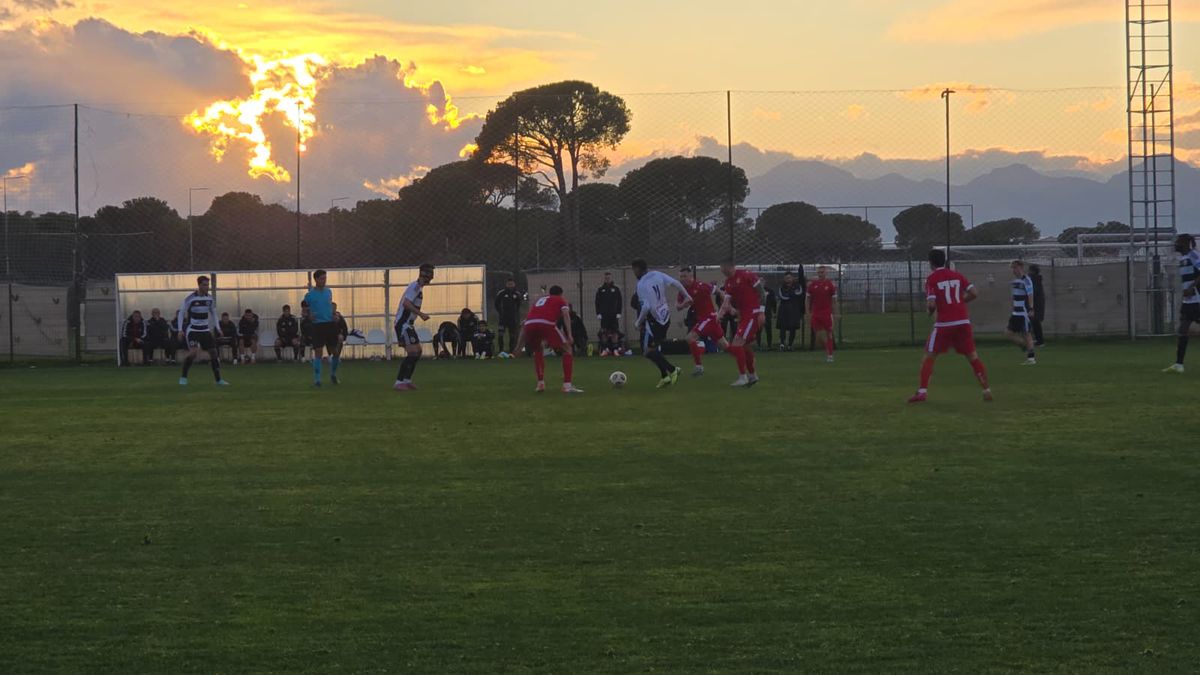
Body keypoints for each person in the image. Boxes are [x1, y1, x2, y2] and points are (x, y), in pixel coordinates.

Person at [908, 249, 991, 403]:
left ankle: (922, 392)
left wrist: (930, 311)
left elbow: (932, 304)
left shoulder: (932, 279)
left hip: (945, 323)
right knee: (973, 357)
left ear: (931, 263)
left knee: (929, 356)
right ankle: (986, 390)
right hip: (963, 322)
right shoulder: (957, 275)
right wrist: (959, 302)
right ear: (944, 261)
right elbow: (974, 293)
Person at [632, 258, 691, 388]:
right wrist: (687, 295)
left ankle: (672, 369)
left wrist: (638, 322)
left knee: (647, 351)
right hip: (665, 318)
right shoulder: (657, 274)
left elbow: (646, 307)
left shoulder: (641, 284)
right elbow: (676, 283)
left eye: (633, 270)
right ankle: (665, 377)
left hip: (654, 321)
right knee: (653, 350)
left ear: (637, 269)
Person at [514, 285, 582, 393]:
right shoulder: (560, 299)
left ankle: (540, 383)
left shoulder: (539, 300)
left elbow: (525, 322)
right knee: (568, 349)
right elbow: (566, 315)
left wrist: (518, 347)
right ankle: (567, 385)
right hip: (546, 324)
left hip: (530, 324)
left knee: (538, 350)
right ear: (560, 294)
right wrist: (569, 334)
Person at [719, 261, 766, 387]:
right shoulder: (728, 282)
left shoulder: (746, 275)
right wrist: (719, 315)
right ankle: (752, 375)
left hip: (753, 314)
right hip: (743, 316)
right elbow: (726, 302)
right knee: (744, 347)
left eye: (723, 266)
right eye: (720, 267)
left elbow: (761, 293)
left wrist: (761, 312)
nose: (721, 269)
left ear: (730, 265)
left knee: (737, 344)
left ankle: (743, 377)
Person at [177, 275, 229, 386]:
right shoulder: (190, 298)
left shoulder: (210, 299)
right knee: (194, 352)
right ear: (199, 285)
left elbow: (214, 314)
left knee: (214, 353)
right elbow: (181, 313)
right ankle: (183, 377)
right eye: (205, 285)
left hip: (205, 330)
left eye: (208, 285)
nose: (207, 287)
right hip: (193, 330)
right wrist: (180, 330)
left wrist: (218, 328)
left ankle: (218, 380)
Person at [678, 266, 728, 376]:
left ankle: (699, 367)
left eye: (685, 276)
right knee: (724, 346)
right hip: (706, 320)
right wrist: (683, 304)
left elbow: (719, 292)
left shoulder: (701, 286)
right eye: (681, 276)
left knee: (690, 338)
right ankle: (744, 356)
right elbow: (678, 307)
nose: (682, 278)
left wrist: (723, 309)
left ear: (691, 276)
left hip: (709, 318)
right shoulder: (682, 291)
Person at [394, 263, 435, 390]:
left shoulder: (419, 288)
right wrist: (421, 314)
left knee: (418, 351)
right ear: (425, 274)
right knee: (412, 352)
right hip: (403, 324)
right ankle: (399, 382)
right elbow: (406, 304)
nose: (432, 278)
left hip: (409, 325)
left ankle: (407, 380)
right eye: (430, 274)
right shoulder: (415, 287)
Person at [1165, 234, 1200, 374]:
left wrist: (1192, 287)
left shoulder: (1193, 255)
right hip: (1189, 301)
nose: (1176, 244)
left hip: (1197, 300)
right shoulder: (1182, 258)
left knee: (1183, 329)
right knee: (1182, 330)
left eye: (1178, 242)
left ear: (1186, 243)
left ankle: (1179, 364)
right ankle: (1179, 364)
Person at [302, 269, 342, 386]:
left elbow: (330, 307)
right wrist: (309, 315)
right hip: (318, 326)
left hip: (330, 325)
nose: (324, 281)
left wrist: (335, 315)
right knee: (318, 352)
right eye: (322, 278)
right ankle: (317, 379)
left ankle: (333, 375)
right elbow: (304, 310)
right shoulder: (309, 295)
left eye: (325, 278)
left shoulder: (329, 292)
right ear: (316, 280)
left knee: (335, 352)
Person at [1004, 260, 1037, 365]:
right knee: (1008, 333)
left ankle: (1031, 358)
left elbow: (1030, 294)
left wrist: (1031, 308)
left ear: (1020, 267)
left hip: (1023, 313)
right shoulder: (1016, 281)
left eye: (1015, 268)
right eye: (1012, 268)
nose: (1013, 270)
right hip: (1015, 313)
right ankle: (1023, 345)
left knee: (1027, 334)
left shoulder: (1026, 280)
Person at [807, 266, 838, 363]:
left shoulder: (830, 285)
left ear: (826, 273)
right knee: (819, 336)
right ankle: (828, 349)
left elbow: (834, 300)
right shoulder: (812, 285)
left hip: (826, 313)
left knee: (829, 333)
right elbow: (807, 299)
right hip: (816, 313)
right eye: (819, 272)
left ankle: (830, 355)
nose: (820, 274)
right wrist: (807, 311)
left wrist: (836, 312)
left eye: (822, 272)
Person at [775, 271, 804, 351]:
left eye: (789, 277)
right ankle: (782, 344)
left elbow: (799, 293)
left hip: (794, 310)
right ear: (784, 279)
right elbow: (783, 297)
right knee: (782, 328)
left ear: (792, 278)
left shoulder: (797, 286)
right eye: (786, 278)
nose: (788, 279)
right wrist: (792, 294)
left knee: (793, 328)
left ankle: (790, 345)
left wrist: (790, 294)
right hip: (784, 310)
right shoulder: (781, 287)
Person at [494, 277, 523, 354]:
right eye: (509, 284)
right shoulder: (501, 293)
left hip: (513, 319)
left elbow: (519, 304)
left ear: (514, 284)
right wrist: (501, 312)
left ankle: (511, 351)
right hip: (503, 318)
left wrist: (515, 313)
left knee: (512, 335)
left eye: (512, 284)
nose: (510, 285)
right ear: (506, 284)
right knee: (500, 334)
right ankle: (501, 350)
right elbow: (496, 304)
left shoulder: (517, 294)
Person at [595, 271, 623, 348]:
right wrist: (598, 313)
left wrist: (619, 312)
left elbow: (620, 301)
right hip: (604, 315)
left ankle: (615, 349)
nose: (607, 279)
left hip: (613, 314)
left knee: (615, 332)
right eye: (606, 278)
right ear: (604, 279)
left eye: (609, 278)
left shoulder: (616, 289)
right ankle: (605, 349)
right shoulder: (600, 289)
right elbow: (597, 302)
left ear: (611, 278)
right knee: (604, 332)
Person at [1028, 263, 1046, 347]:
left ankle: (1039, 341)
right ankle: (1038, 340)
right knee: (1035, 322)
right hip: (1037, 303)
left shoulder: (1034, 280)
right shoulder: (1036, 279)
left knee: (1035, 321)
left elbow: (1034, 292)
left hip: (1036, 303)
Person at [758, 284, 777, 350]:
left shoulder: (770, 291)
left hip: (767, 312)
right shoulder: (754, 290)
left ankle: (769, 345)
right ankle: (759, 345)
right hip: (758, 312)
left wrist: (774, 311)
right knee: (758, 329)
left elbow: (774, 301)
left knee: (768, 329)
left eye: (762, 281)